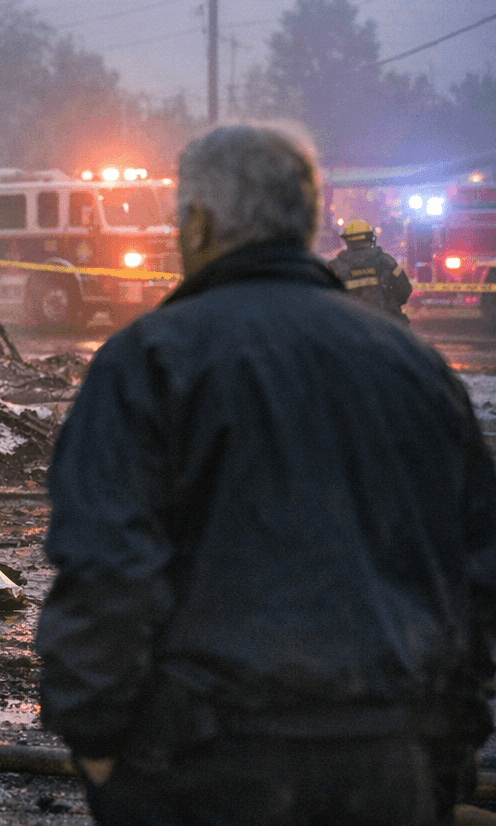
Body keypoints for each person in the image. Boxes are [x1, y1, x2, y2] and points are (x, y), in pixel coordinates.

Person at [36, 123, 496, 825]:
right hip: (389, 758)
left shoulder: (151, 359)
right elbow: (475, 575)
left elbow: (106, 569)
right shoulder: (416, 367)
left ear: (198, 223)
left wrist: (96, 741)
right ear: (308, 224)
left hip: (205, 765)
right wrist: (447, 751)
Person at [328, 216, 414, 321]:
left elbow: (326, 300)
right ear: (370, 237)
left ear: (347, 240)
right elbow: (405, 289)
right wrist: (390, 307)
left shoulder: (334, 267)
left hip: (349, 326)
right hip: (383, 324)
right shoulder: (386, 262)